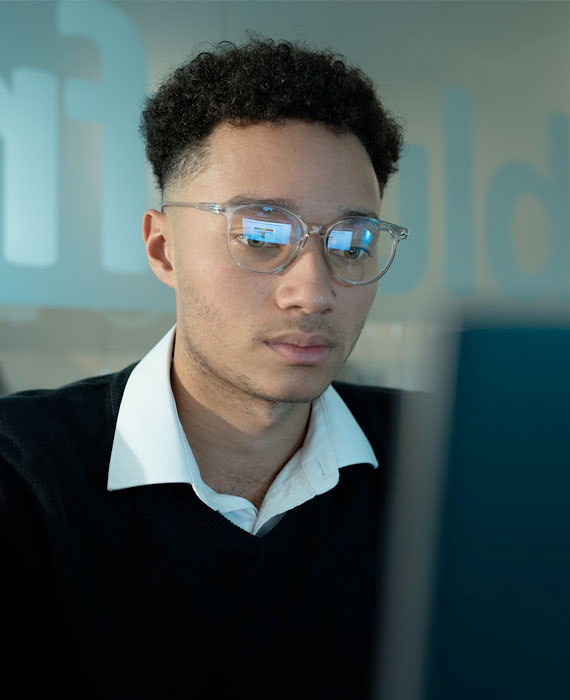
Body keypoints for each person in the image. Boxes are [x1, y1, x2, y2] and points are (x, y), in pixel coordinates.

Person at [0, 39, 409, 698]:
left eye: (352, 243)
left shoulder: (447, 463)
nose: (314, 291)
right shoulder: (24, 478)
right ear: (163, 250)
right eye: (262, 237)